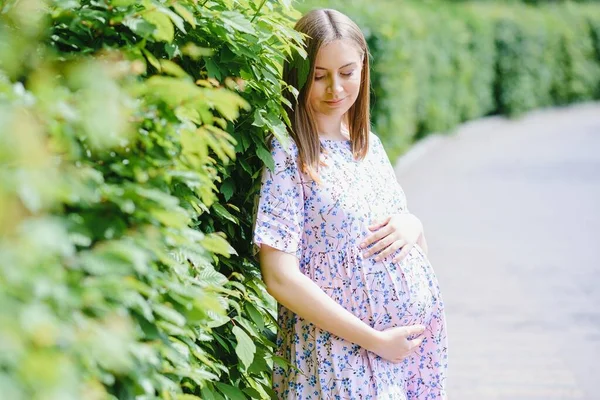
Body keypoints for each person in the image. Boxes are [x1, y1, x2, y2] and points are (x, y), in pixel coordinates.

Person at [252, 8, 447, 399]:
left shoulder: (368, 146)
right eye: (319, 76)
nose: (335, 89)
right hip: (339, 355)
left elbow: (406, 248)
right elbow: (279, 276)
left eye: (347, 73)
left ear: (363, 68)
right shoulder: (289, 154)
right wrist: (374, 339)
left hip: (402, 356)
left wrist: (414, 225)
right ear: (298, 76)